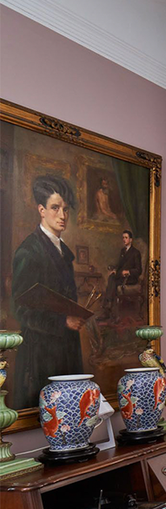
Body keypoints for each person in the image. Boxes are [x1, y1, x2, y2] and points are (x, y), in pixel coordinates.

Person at [10, 174, 85, 411]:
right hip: (40, 355)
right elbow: (20, 310)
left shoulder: (63, 252)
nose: (63, 215)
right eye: (55, 208)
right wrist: (63, 320)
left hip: (65, 350)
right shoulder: (29, 252)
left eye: (65, 209)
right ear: (41, 210)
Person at [100, 229, 142, 319]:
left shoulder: (136, 253)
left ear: (131, 240)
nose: (124, 239)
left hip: (130, 278)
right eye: (123, 237)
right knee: (112, 277)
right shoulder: (123, 251)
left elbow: (139, 270)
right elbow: (120, 265)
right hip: (121, 276)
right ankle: (109, 308)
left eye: (126, 238)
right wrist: (115, 270)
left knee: (113, 281)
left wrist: (128, 272)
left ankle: (108, 309)